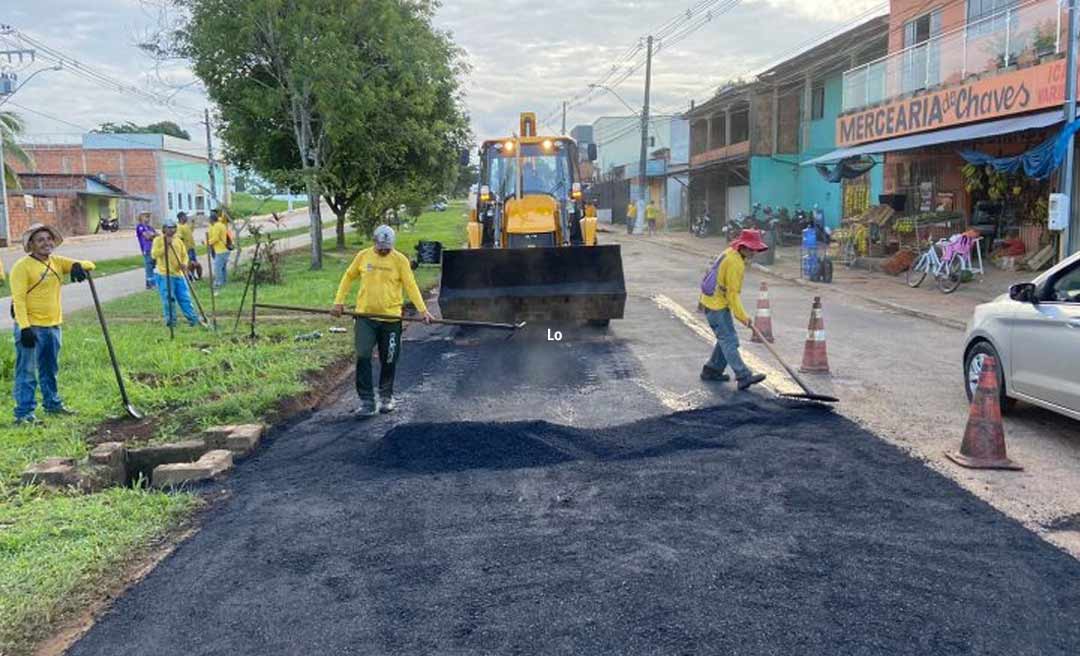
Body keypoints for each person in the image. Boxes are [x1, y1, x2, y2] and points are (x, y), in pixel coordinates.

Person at [332, 225, 433, 417]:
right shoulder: (363, 256)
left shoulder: (400, 260)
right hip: (365, 317)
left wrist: (423, 310)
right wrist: (339, 302)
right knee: (363, 355)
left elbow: (411, 286)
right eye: (381, 248)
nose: (384, 250)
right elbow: (348, 277)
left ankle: (386, 397)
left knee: (389, 358)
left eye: (388, 247)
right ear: (374, 243)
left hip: (391, 319)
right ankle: (367, 401)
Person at [10, 223, 95, 425]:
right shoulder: (22, 267)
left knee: (49, 368)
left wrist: (76, 266)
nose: (46, 243)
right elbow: (18, 299)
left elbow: (90, 264)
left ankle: (53, 404)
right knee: (27, 371)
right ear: (31, 244)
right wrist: (24, 328)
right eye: (40, 240)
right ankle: (24, 414)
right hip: (30, 327)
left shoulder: (56, 262)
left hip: (53, 325)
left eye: (49, 239)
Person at [699, 229, 768, 391]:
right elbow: (733, 295)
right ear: (743, 246)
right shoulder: (735, 263)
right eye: (751, 249)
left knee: (726, 338)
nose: (753, 252)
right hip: (716, 304)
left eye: (755, 249)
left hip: (713, 301)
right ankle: (743, 375)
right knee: (729, 340)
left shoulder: (731, 252)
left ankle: (712, 370)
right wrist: (743, 317)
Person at [151, 217, 203, 328]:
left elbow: (185, 255)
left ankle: (193, 319)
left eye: (174, 228)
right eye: (169, 228)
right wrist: (165, 245)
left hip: (179, 274)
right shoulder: (158, 240)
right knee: (169, 299)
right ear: (164, 229)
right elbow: (154, 255)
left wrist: (184, 264)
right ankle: (171, 322)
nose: (172, 230)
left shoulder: (178, 241)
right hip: (165, 274)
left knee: (185, 298)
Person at [207, 209, 230, 294]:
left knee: (218, 268)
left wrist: (207, 242)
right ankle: (224, 282)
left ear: (212, 220)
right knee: (223, 268)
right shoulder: (222, 225)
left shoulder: (216, 226)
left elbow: (216, 238)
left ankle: (218, 283)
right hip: (225, 249)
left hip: (220, 250)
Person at [176, 212, 201, 280]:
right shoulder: (179, 227)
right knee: (189, 264)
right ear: (181, 218)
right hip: (186, 249)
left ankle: (192, 275)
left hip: (191, 247)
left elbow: (190, 231)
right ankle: (189, 277)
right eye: (185, 216)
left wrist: (193, 224)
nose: (186, 217)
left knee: (194, 263)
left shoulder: (186, 225)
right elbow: (179, 237)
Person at [135, 212, 157, 289]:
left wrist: (152, 235)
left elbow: (157, 235)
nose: (147, 218)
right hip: (146, 249)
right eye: (146, 216)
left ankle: (153, 282)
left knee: (154, 266)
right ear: (141, 217)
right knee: (149, 266)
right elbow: (147, 236)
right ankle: (150, 284)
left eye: (148, 217)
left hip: (154, 248)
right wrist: (152, 235)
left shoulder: (150, 227)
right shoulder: (140, 227)